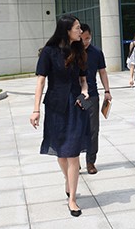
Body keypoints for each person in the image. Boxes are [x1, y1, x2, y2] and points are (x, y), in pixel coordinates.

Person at [29, 14, 90, 217]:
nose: (80, 31)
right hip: (55, 106)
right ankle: (68, 178)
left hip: (76, 106)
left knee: (72, 153)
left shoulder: (79, 51)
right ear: (67, 30)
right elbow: (40, 81)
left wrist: (85, 92)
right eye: (77, 28)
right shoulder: (49, 52)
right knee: (61, 153)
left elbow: (83, 79)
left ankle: (72, 199)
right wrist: (36, 109)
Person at [80, 23, 112, 174]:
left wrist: (107, 90)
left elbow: (103, 72)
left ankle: (90, 161)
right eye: (82, 39)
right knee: (76, 128)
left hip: (92, 95)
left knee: (93, 129)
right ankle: (74, 160)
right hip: (75, 95)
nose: (85, 42)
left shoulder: (96, 52)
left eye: (88, 38)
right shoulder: (71, 52)